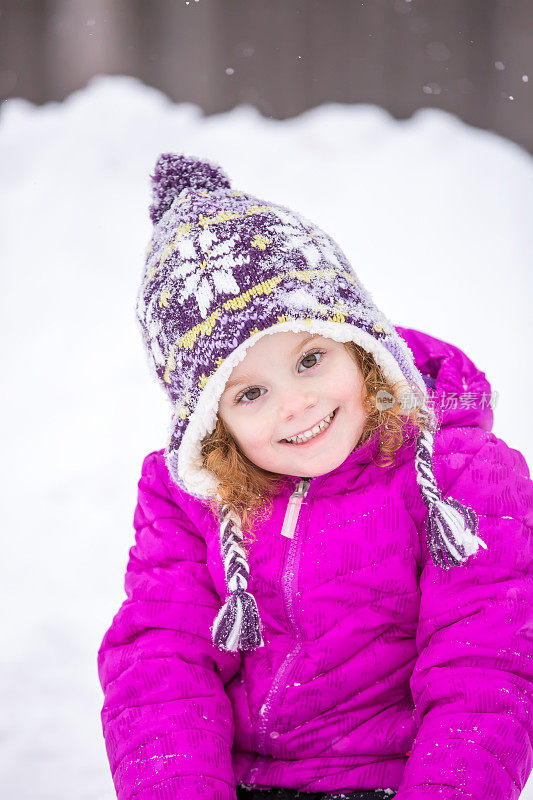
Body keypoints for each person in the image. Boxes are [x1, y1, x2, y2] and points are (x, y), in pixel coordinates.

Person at [97, 152, 533, 800]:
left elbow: (485, 668)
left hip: (393, 783)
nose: (295, 404)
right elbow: (161, 662)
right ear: (210, 423)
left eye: (309, 358)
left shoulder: (459, 478)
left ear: (358, 344)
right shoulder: (191, 495)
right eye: (249, 394)